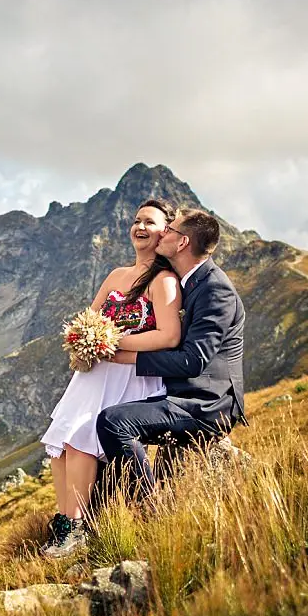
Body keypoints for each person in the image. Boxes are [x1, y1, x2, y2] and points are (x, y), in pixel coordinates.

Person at [38, 199, 183, 559]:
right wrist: (85, 338)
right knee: (61, 441)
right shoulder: (116, 275)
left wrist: (112, 343)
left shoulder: (164, 281)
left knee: (82, 437)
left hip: (130, 376)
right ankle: (63, 522)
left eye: (149, 222)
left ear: (165, 232)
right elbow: (91, 317)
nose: (140, 227)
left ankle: (78, 527)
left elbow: (168, 336)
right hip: (95, 374)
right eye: (136, 220)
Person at [95, 206, 247, 511]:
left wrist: (127, 357)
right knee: (103, 419)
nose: (163, 232)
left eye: (170, 229)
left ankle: (150, 509)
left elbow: (193, 361)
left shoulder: (215, 290)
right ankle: (95, 517)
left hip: (205, 404)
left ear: (182, 243)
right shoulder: (188, 281)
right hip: (179, 393)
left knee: (113, 423)